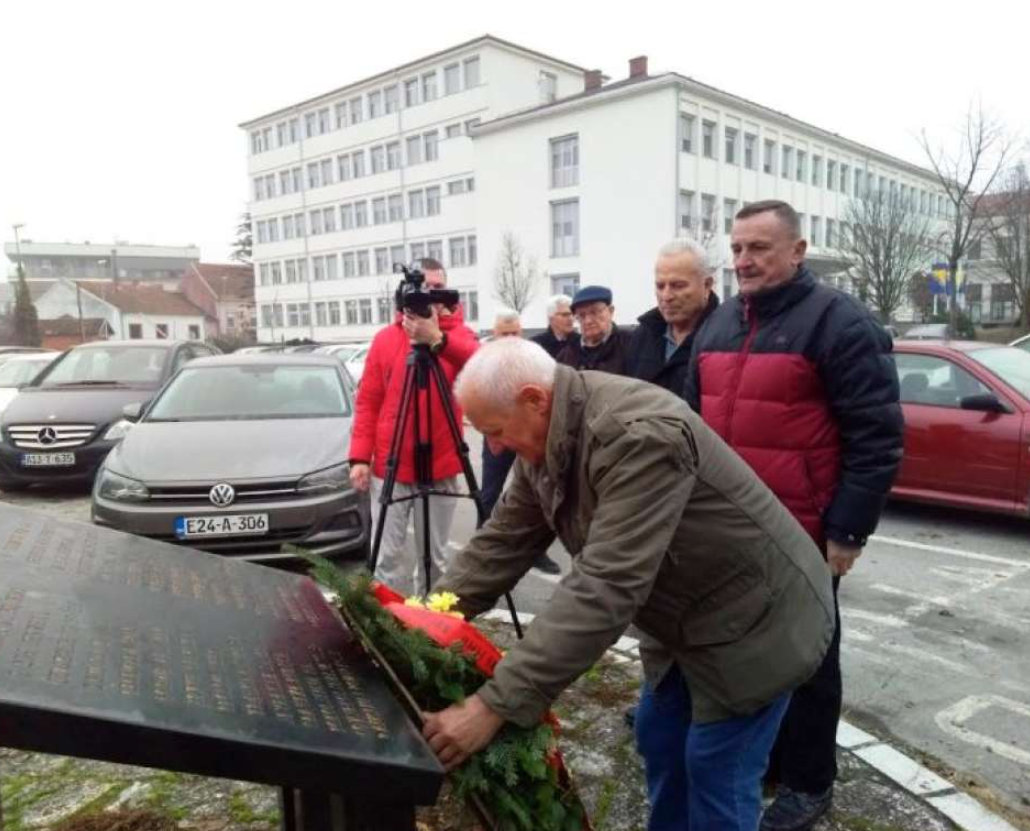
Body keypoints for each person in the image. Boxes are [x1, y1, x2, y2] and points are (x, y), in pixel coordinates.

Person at [422, 338, 835, 831]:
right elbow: (502, 542)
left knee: (716, 767)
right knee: (659, 737)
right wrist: (424, 620)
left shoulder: (638, 435)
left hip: (756, 620)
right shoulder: (546, 439)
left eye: (494, 431)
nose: (492, 447)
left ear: (534, 399)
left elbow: (607, 585)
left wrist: (493, 705)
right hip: (685, 615)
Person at [685, 200, 903, 831]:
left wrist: (848, 530)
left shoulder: (839, 323)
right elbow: (694, 427)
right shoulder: (721, 322)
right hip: (729, 530)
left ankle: (811, 782)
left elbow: (877, 437)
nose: (744, 261)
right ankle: (771, 762)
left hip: (805, 532)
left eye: (759, 248)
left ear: (797, 251)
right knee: (745, 652)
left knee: (809, 659)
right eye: (737, 249)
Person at [347, 258, 479, 596]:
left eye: (437, 288)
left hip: (441, 464)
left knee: (435, 559)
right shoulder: (385, 340)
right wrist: (360, 457)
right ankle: (384, 623)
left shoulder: (459, 336)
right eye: (422, 288)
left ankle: (431, 626)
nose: (429, 296)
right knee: (385, 556)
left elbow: (479, 368)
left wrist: (438, 338)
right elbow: (368, 402)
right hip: (391, 465)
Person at [480, 311, 561, 576]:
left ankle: (537, 551)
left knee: (537, 491)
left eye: (515, 332)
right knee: (490, 493)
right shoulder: (483, 360)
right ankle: (485, 549)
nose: (511, 338)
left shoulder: (533, 357)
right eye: (505, 334)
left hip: (528, 436)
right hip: (497, 437)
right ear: (495, 333)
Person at [626, 238, 720, 394]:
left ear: (707, 285)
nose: (666, 296)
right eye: (660, 286)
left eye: (678, 286)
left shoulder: (726, 339)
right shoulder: (642, 336)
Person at [555, 285, 632, 374]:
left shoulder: (631, 345)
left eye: (594, 312)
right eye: (581, 315)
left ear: (611, 311)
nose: (588, 321)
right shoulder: (567, 354)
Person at [531, 294, 578, 358]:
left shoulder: (581, 342)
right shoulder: (536, 346)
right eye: (565, 315)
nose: (571, 319)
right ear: (551, 318)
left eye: (572, 314)